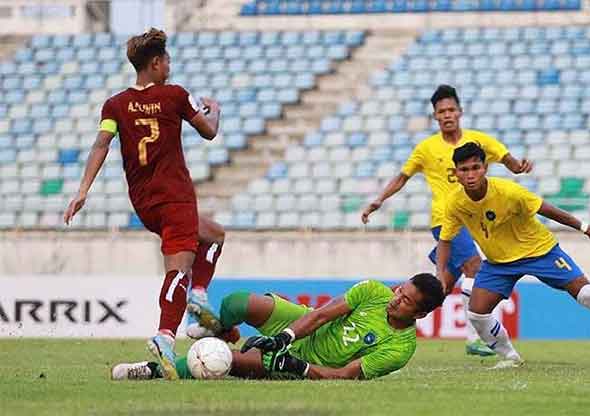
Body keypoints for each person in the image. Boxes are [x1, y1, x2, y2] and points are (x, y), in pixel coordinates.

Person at [63, 28, 227, 380]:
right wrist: (214, 109)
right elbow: (209, 131)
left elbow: (101, 145)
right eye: (166, 60)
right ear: (155, 63)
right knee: (179, 268)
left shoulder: (115, 104)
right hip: (175, 193)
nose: (169, 65)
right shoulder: (175, 96)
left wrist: (82, 190)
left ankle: (198, 295)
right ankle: (165, 337)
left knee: (213, 235)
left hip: (144, 201)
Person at [362, 85, 532, 356]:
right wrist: (379, 200)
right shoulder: (426, 148)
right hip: (447, 220)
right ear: (435, 117)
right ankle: (475, 338)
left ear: (460, 112)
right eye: (441, 111)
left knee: (438, 289)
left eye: (451, 109)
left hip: (475, 219)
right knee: (475, 268)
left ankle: (384, 324)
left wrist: (520, 166)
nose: (447, 115)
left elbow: (508, 161)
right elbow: (403, 176)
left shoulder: (478, 141)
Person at [436, 142, 590, 368]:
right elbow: (445, 240)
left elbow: (547, 209)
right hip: (498, 264)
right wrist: (440, 273)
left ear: (485, 167)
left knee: (587, 294)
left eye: (475, 167)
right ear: (455, 172)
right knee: (477, 315)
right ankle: (511, 358)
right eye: (464, 169)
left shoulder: (509, 192)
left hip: (540, 252)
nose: (470, 174)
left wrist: (586, 228)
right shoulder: (454, 203)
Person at [112, 273, 445, 380]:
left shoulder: (401, 348)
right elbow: (321, 315)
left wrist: (297, 366)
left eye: (405, 301)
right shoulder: (375, 290)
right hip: (300, 323)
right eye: (400, 289)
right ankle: (223, 328)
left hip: (308, 361)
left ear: (419, 315)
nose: (395, 298)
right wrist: (284, 336)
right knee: (237, 303)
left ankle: (152, 370)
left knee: (218, 361)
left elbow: (345, 376)